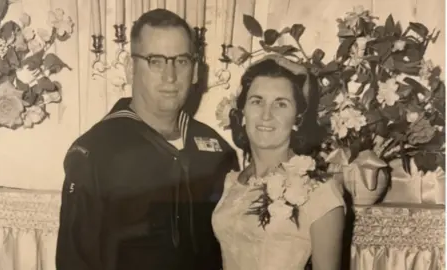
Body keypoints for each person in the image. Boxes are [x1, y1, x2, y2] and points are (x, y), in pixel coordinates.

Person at [56, 9, 239, 270]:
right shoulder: (96, 152)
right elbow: (75, 261)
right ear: (131, 69)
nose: (170, 76)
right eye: (156, 61)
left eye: (182, 61)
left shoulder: (217, 151)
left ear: (196, 70)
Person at [211, 55, 346, 270]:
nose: (266, 115)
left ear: (297, 118)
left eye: (280, 104)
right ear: (243, 111)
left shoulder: (319, 191)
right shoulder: (232, 182)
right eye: (257, 101)